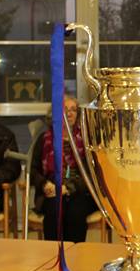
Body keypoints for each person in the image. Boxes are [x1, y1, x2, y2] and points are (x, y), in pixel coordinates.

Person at [31, 95, 97, 242]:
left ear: (78, 114)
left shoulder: (87, 140)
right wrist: (44, 184)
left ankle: (75, 253)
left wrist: (68, 188)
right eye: (65, 109)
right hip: (51, 190)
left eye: (73, 110)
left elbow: (92, 174)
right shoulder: (44, 139)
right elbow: (33, 170)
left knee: (75, 214)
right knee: (54, 211)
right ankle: (53, 253)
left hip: (80, 191)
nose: (69, 113)